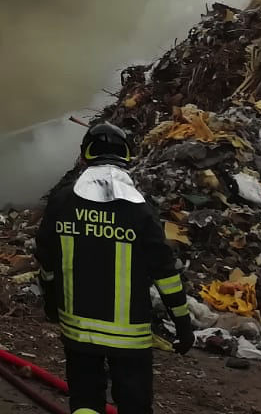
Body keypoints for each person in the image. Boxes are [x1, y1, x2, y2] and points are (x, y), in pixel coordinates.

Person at [35, 122, 194, 414]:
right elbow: (165, 272)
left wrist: (51, 302)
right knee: (134, 405)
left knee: (85, 401)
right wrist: (182, 323)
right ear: (127, 156)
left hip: (78, 329)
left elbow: (46, 260)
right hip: (130, 336)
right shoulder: (140, 208)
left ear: (85, 154)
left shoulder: (62, 202)